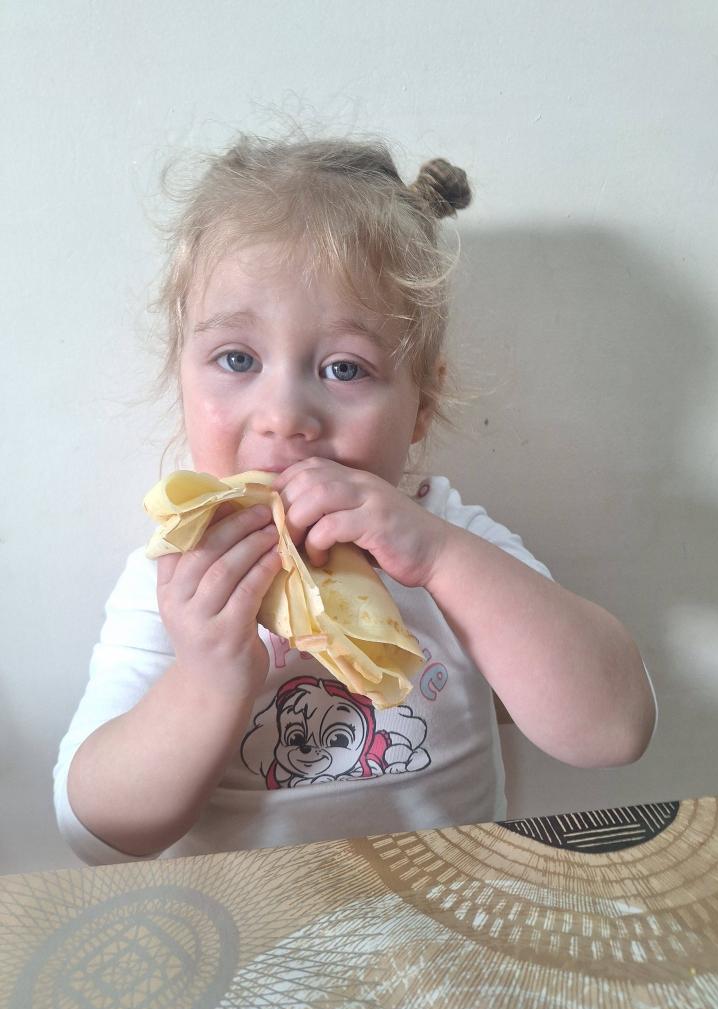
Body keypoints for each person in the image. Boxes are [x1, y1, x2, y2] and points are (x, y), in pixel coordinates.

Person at [54, 133, 657, 865]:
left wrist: (439, 559)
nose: (284, 416)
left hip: (450, 908)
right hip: (255, 921)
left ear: (421, 406)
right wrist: (208, 678)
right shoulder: (183, 577)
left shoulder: (444, 537)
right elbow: (97, 833)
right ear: (181, 375)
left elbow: (614, 730)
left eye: (344, 368)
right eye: (237, 359)